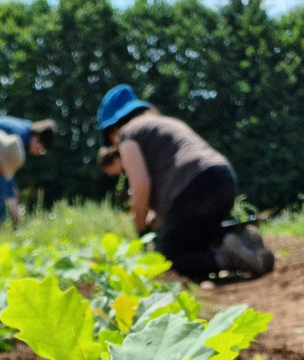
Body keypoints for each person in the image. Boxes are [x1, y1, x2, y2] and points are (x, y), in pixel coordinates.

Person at [96, 85, 273, 281]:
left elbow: (140, 186)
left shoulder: (127, 134)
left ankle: (226, 258)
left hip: (196, 185)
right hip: (223, 177)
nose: (113, 145)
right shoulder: (160, 122)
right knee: (196, 238)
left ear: (113, 128)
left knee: (166, 259)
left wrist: (140, 227)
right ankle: (239, 241)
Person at [0, 117, 56, 228]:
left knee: (2, 199)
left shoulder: (24, 130)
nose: (37, 154)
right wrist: (14, 203)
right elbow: (6, 170)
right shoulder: (20, 136)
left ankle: (3, 226)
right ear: (36, 138)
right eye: (41, 149)